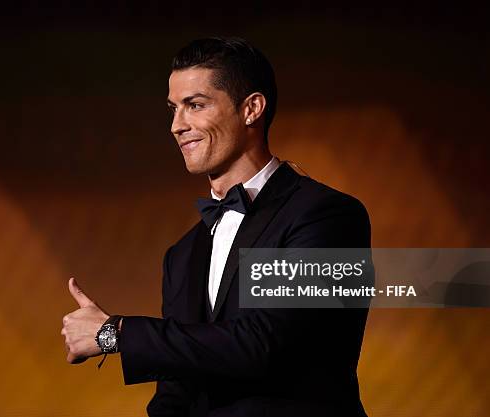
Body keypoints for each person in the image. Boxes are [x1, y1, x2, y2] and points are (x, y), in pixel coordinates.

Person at [61, 37, 371, 417]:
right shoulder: (182, 254)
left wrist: (118, 333)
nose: (177, 125)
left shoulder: (326, 215)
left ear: (251, 109)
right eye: (174, 109)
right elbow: (174, 394)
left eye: (195, 105)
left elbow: (263, 344)